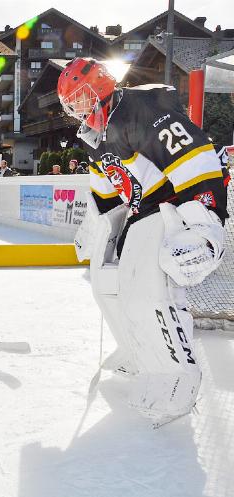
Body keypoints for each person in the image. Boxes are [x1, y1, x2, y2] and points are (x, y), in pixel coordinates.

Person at [59, 57, 228, 425]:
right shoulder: (95, 137)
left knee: (149, 293)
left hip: (170, 208)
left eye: (82, 98)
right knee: (108, 288)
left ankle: (177, 374)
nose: (79, 110)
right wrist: (94, 230)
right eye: (73, 105)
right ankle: (139, 353)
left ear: (101, 85)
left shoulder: (142, 108)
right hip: (142, 214)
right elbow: (106, 193)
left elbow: (193, 160)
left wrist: (205, 223)